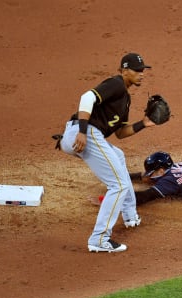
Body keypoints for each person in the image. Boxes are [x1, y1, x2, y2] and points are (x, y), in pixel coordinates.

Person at [60, 53, 160, 253]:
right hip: (84, 132)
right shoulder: (116, 84)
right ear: (124, 71)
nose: (141, 74)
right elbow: (86, 97)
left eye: (143, 70)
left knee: (119, 156)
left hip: (85, 134)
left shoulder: (125, 99)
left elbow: (121, 133)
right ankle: (99, 239)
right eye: (137, 70)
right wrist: (82, 131)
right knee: (119, 185)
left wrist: (144, 123)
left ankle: (130, 215)